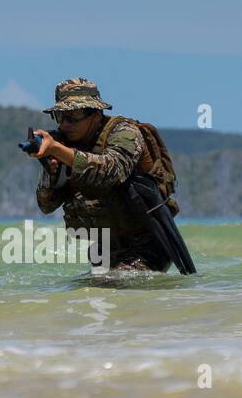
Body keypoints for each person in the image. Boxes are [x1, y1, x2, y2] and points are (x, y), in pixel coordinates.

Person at [29, 78, 189, 272]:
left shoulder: (125, 133)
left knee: (115, 288)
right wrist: (53, 174)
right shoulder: (63, 145)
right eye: (60, 116)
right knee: (86, 296)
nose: (65, 124)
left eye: (74, 115)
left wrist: (58, 150)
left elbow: (111, 171)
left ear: (96, 114)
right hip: (104, 248)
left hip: (148, 243)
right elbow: (46, 206)